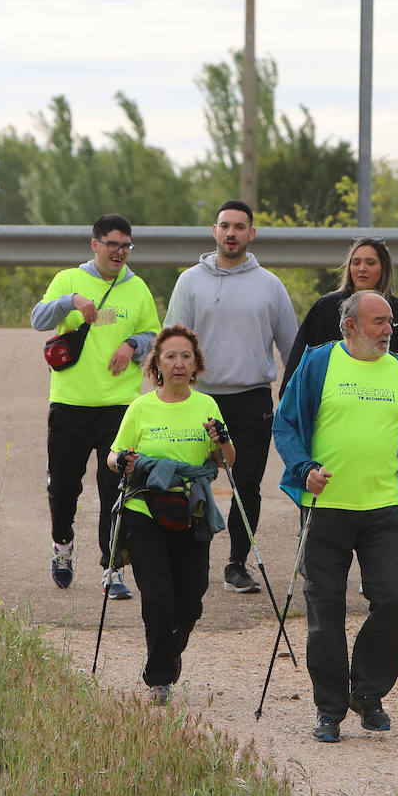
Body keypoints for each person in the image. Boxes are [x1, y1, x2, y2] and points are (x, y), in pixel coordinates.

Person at [273, 290, 398, 743]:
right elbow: (284, 424)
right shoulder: (319, 363)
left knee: (390, 599)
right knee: (325, 609)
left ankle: (367, 692)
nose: (388, 331)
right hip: (326, 510)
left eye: (390, 323)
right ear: (350, 325)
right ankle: (329, 707)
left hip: (382, 508)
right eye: (379, 323)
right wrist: (304, 470)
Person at [164, 199, 298, 594]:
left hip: (252, 398)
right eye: (225, 226)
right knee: (188, 481)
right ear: (214, 231)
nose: (232, 233)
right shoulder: (190, 281)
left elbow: (291, 348)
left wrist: (293, 401)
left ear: (251, 234)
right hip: (199, 399)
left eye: (240, 227)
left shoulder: (270, 285)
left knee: (247, 484)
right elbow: (171, 342)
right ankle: (187, 556)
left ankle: (237, 563)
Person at [31, 213, 160, 599]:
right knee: (65, 486)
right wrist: (69, 302)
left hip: (119, 405)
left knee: (116, 487)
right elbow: (38, 319)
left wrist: (133, 344)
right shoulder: (69, 279)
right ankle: (62, 546)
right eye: (112, 244)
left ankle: (113, 566)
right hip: (71, 401)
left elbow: (155, 333)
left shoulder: (137, 289)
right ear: (95, 245)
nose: (119, 252)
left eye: (126, 245)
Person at [107, 325, 232, 705]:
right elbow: (114, 456)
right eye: (170, 356)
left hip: (191, 507)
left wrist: (221, 440)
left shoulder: (207, 406)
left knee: (192, 597)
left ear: (196, 365)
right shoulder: (140, 407)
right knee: (158, 594)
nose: (178, 364)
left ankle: (170, 649)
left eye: (186, 357)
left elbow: (227, 461)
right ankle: (159, 674)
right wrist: (122, 463)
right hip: (144, 507)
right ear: (156, 364)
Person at [282, 236, 398, 443]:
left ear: (384, 268)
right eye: (356, 262)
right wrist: (290, 409)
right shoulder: (327, 308)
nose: (362, 268)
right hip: (335, 415)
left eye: (370, 263)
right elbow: (300, 363)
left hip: (386, 413)